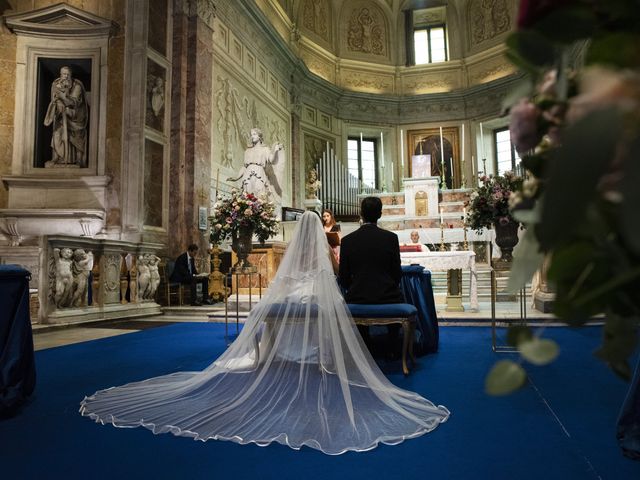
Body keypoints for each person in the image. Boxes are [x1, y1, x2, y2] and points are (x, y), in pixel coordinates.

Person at [80, 211, 449, 455]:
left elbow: (286, 283)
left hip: (289, 295)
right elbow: (333, 280)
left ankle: (273, 354)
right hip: (316, 295)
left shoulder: (298, 254)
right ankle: (319, 357)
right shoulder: (328, 251)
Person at [339, 196, 404, 354]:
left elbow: (343, 276)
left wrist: (355, 288)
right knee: (400, 297)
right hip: (387, 296)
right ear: (380, 214)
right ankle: (393, 347)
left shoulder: (347, 241)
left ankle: (364, 345)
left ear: (361, 214)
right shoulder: (391, 238)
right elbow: (397, 273)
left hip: (357, 296)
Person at [43, 66, 88, 167]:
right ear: (60, 74)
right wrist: (58, 102)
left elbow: (74, 102)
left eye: (68, 74)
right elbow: (54, 98)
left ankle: (77, 159)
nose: (66, 76)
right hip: (60, 115)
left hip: (75, 116)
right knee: (56, 135)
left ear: (71, 75)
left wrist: (63, 97)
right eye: (64, 74)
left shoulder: (77, 86)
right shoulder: (56, 84)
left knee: (76, 136)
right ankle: (57, 157)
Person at [228, 128, 283, 200]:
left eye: (254, 134)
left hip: (259, 173)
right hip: (247, 174)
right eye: (251, 135)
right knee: (247, 196)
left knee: (259, 195)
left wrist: (276, 151)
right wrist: (237, 178)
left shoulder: (265, 149)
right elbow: (244, 167)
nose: (252, 136)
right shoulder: (248, 151)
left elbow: (272, 160)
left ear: (259, 136)